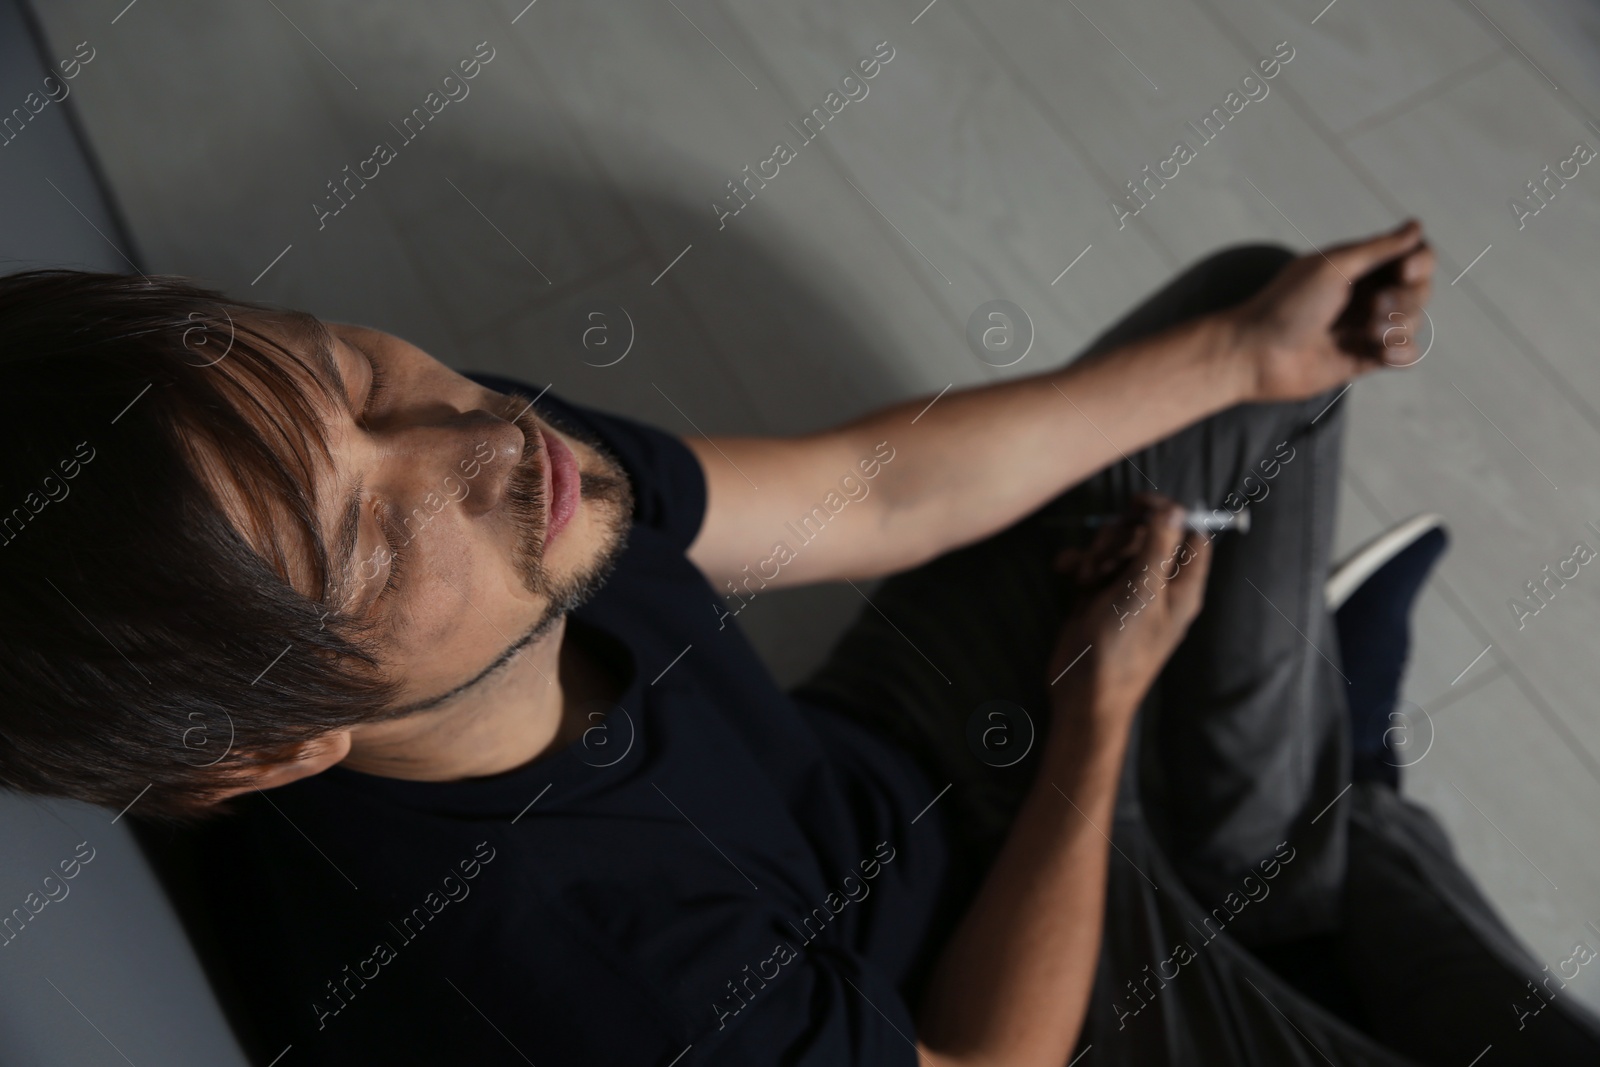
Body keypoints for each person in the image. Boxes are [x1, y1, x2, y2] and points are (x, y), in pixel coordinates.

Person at [0, 220, 1594, 1066]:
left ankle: (1294, 840)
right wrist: (1097, 728)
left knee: (1255, 339)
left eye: (343, 371)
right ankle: (1333, 816)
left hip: (886, 757)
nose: (465, 433)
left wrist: (1246, 351)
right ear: (281, 751)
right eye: (359, 532)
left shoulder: (504, 489)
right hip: (984, 991)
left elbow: (856, 492)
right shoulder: (582, 980)